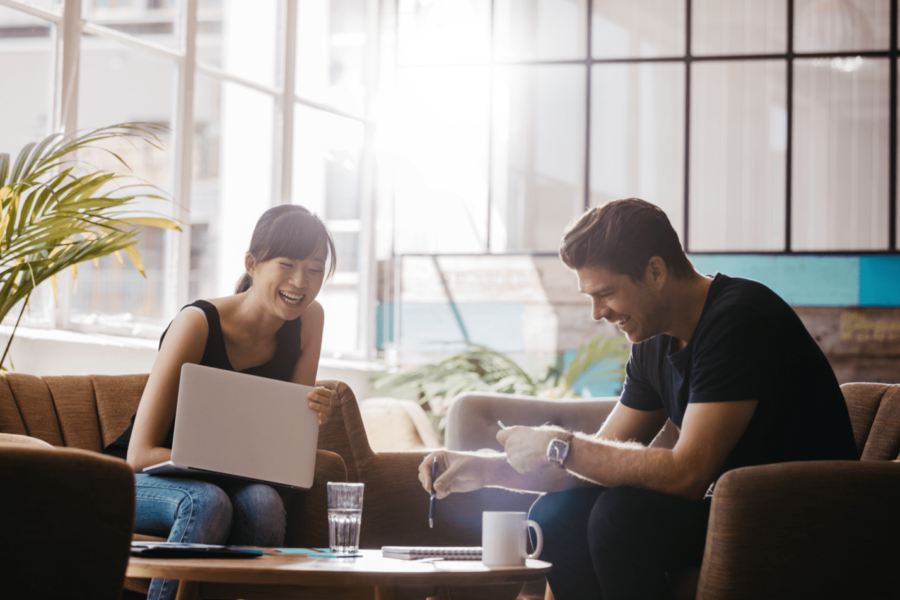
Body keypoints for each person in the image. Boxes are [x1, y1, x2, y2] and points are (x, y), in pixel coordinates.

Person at [418, 198, 858, 600]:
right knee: (558, 514)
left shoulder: (738, 321)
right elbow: (588, 470)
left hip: (801, 517)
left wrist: (559, 443)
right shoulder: (654, 342)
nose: (597, 313)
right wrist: (484, 467)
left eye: (605, 293)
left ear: (655, 271)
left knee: (622, 516)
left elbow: (687, 472)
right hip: (733, 508)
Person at [104, 204, 336, 600]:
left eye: (315, 269)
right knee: (208, 501)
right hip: (139, 481)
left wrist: (310, 420)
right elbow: (138, 454)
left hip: (227, 481)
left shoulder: (309, 320)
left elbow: (284, 461)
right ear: (252, 263)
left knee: (263, 502)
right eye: (287, 264)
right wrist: (223, 469)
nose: (301, 282)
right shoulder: (196, 323)